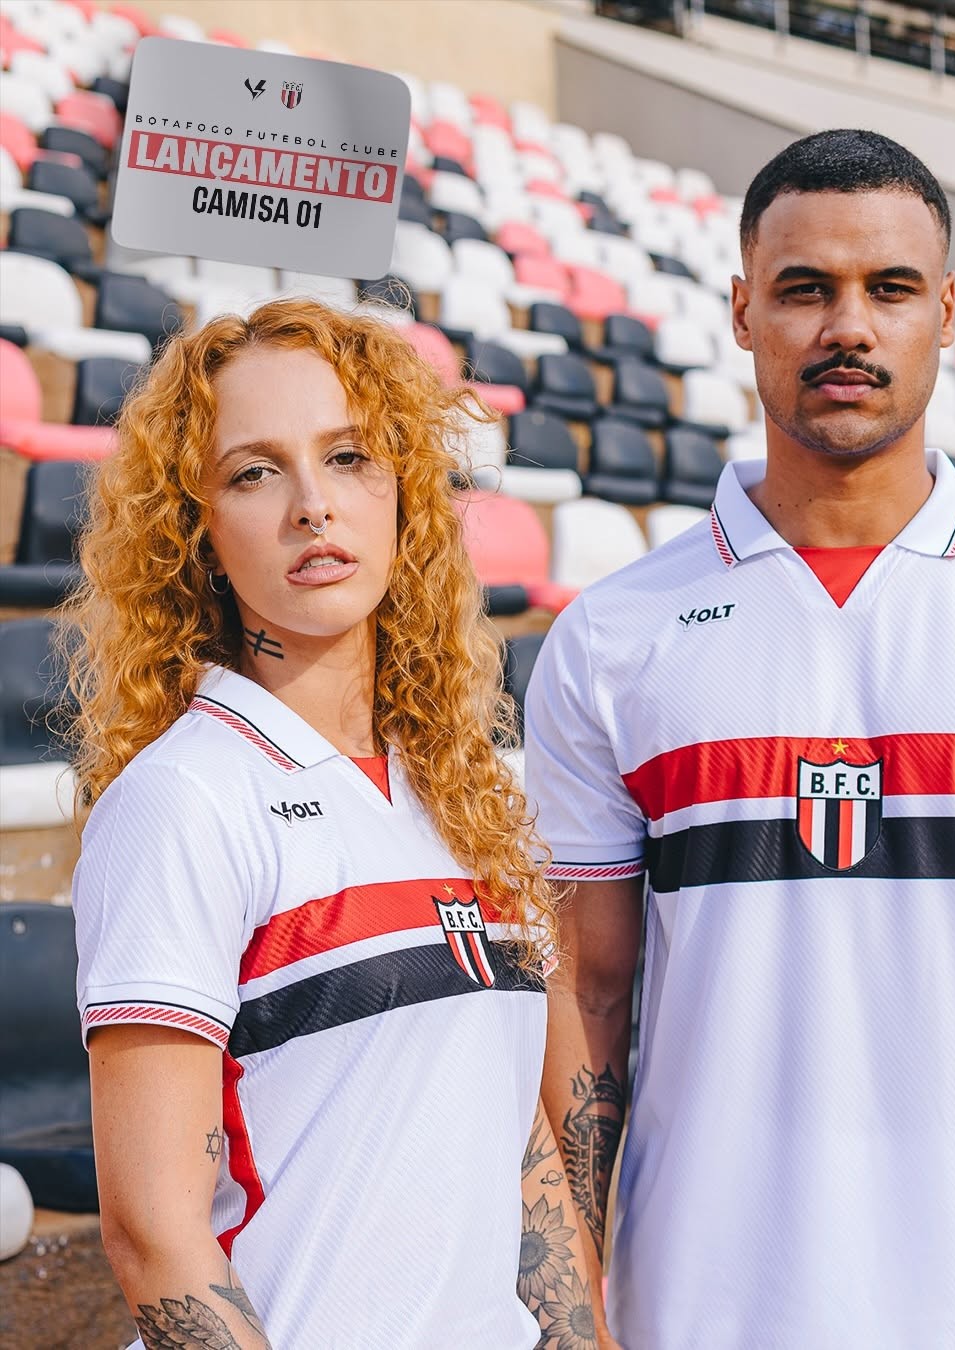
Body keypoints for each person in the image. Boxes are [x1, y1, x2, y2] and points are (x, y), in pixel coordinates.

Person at [526, 130, 955, 1350]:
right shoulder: (614, 637)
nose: (848, 327)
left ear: (948, 312)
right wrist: (572, 1307)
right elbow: (587, 992)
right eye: (804, 289)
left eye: (890, 289)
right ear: (741, 311)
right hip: (702, 1307)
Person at [64, 299, 596, 1349]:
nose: (313, 504)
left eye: (348, 457)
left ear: (403, 493)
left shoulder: (459, 792)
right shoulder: (183, 800)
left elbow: (519, 1142)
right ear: (197, 532)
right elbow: (156, 1238)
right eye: (254, 472)